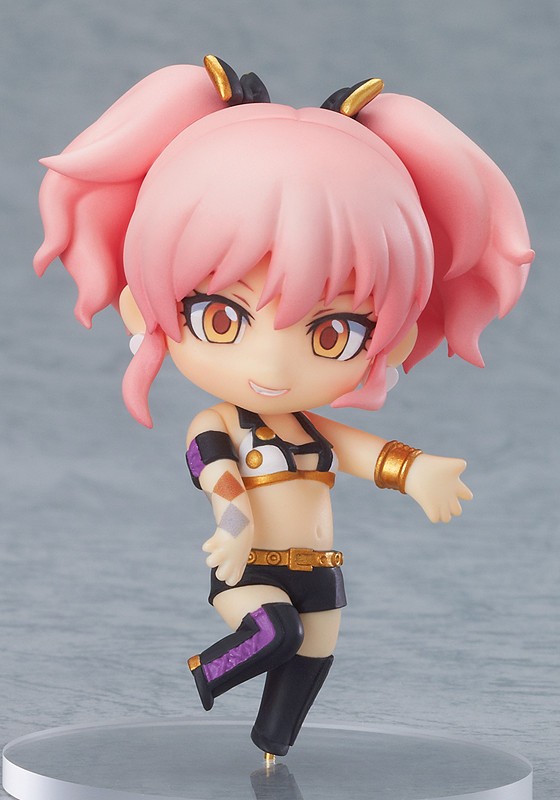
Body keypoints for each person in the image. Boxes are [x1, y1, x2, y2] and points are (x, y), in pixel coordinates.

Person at [34, 56, 533, 757]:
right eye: (222, 318)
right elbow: (218, 475)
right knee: (276, 632)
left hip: (319, 565)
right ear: (141, 308)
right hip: (249, 566)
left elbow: (364, 453)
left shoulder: (311, 427)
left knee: (313, 655)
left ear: (393, 339)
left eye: (333, 333)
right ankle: (208, 671)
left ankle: (273, 745)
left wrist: (418, 472)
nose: (271, 367)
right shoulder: (216, 424)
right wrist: (233, 527)